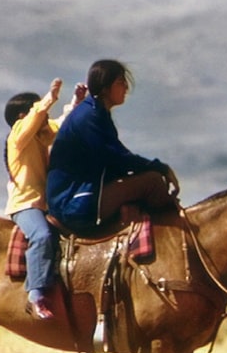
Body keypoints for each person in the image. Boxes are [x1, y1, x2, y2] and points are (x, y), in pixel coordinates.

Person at [46, 59, 179, 233]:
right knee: (152, 182)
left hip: (79, 194)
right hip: (73, 201)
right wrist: (160, 168)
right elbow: (116, 158)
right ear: (104, 87)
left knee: (148, 178)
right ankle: (178, 235)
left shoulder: (95, 112)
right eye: (120, 83)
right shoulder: (90, 116)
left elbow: (118, 156)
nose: (126, 88)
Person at [4, 78, 86, 320]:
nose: (42, 117)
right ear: (23, 116)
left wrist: (75, 103)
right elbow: (37, 119)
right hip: (25, 205)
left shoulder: (38, 137)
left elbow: (59, 126)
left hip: (45, 204)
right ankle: (36, 292)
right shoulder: (18, 134)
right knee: (42, 236)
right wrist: (49, 98)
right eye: (36, 110)